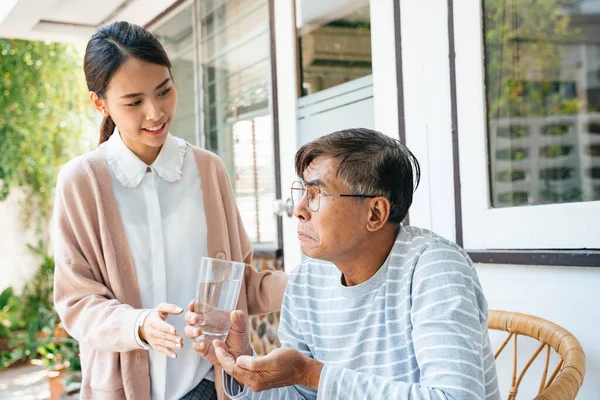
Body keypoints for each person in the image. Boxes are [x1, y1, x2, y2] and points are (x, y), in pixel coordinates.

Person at [52, 21, 288, 400]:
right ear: (100, 103)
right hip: (122, 391)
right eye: (134, 102)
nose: (155, 112)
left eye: (164, 90)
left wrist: (316, 284)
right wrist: (139, 324)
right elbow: (76, 303)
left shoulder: (208, 171)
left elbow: (239, 287)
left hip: (208, 386)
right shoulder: (81, 182)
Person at [186, 128, 501, 399]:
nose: (298, 210)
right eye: (301, 193)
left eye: (316, 195)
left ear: (375, 213)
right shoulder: (307, 281)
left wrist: (311, 374)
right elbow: (300, 395)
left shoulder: (435, 269)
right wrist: (243, 363)